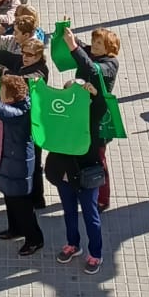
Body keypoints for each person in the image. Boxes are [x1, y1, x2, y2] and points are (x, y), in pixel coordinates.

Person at [50, 26, 121, 272]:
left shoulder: (108, 69)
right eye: (93, 43)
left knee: (90, 214)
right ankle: (72, 244)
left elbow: (92, 71)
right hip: (67, 169)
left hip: (87, 167)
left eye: (98, 45)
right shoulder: (70, 108)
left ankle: (96, 253)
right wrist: (65, 34)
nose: (94, 47)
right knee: (69, 211)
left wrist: (92, 92)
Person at [0, 73, 41, 256]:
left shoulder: (18, 113)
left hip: (18, 166)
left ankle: (34, 239)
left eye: (1, 92)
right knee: (10, 198)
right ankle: (15, 228)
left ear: (10, 96)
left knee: (23, 205)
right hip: (10, 163)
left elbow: (0, 110)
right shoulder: (19, 105)